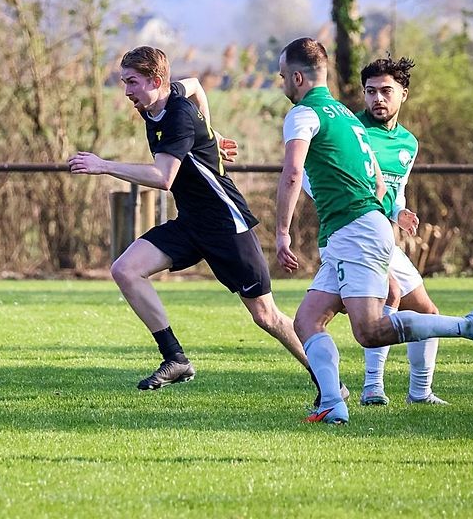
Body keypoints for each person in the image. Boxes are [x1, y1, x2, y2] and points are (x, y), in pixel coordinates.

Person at [68, 45, 329, 399]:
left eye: (132, 82)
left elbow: (163, 178)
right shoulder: (160, 99)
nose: (126, 91)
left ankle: (331, 384)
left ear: (155, 80)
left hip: (225, 224)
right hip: (191, 222)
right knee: (125, 270)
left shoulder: (176, 116)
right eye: (123, 82)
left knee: (266, 315)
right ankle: (175, 357)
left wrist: (104, 165)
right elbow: (194, 85)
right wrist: (212, 133)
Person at [275, 37, 473, 425]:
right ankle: (333, 403)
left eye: (283, 76)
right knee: (307, 321)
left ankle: (469, 325)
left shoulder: (303, 115)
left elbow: (294, 171)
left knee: (368, 330)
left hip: (355, 231)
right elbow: (382, 186)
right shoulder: (347, 117)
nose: (282, 82)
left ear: (297, 77)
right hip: (352, 231)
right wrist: (390, 214)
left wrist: (282, 232)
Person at [356, 56, 448, 406]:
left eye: (386, 91)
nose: (377, 99)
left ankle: (418, 393)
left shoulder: (409, 143)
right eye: (370, 91)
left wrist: (399, 210)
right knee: (388, 296)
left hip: (384, 238)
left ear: (403, 95)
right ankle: (372, 387)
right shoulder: (352, 130)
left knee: (426, 313)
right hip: (356, 232)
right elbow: (312, 178)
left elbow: (398, 189)